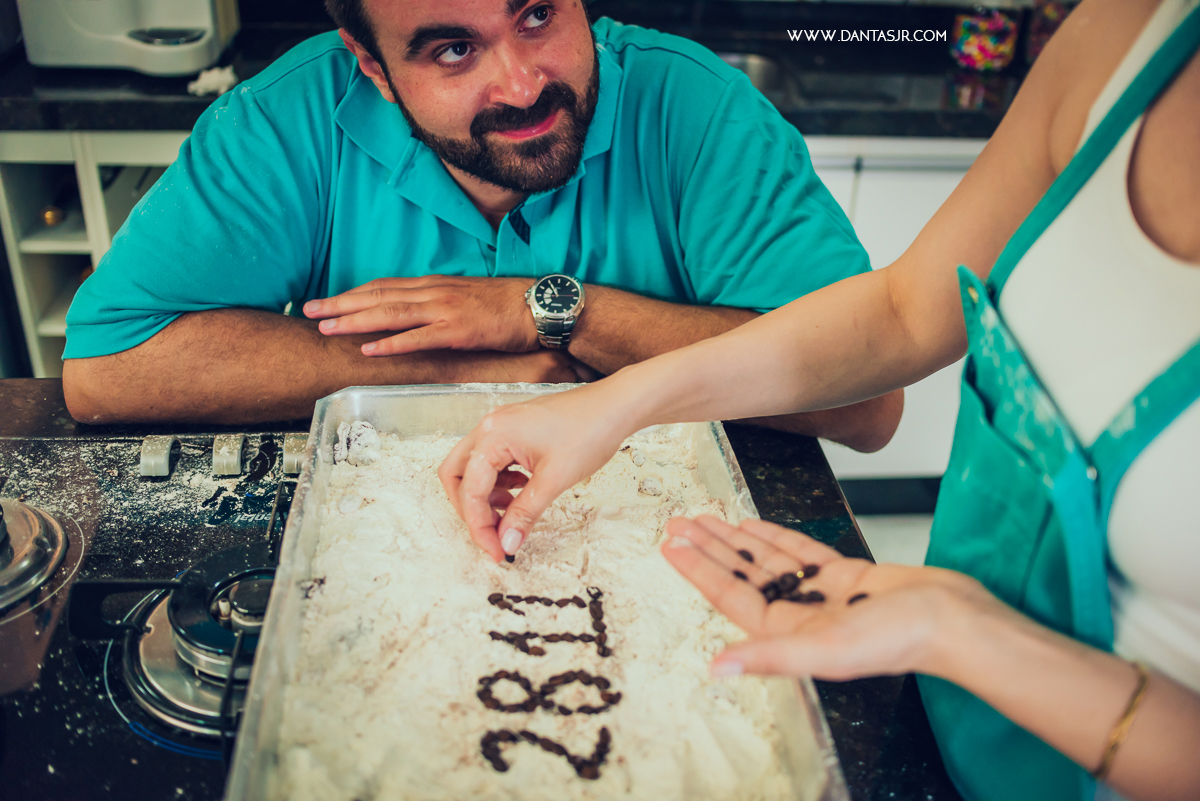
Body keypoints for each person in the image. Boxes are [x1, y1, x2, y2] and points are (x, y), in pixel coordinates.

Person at [439, 0, 1200, 799]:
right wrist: (619, 402)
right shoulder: (1119, 40)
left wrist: (970, 635)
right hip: (954, 716)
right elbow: (902, 313)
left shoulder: (694, 106)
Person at [57, 0, 901, 446]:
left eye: (537, 15)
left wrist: (552, 312)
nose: (524, 85)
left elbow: (867, 403)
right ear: (374, 68)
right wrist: (454, 371)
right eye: (453, 50)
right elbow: (105, 369)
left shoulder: (701, 110)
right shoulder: (284, 122)